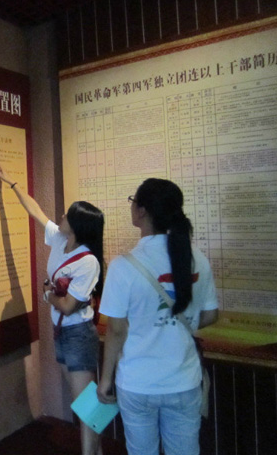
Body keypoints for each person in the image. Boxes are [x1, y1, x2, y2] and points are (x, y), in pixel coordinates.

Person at [96, 178, 219, 455]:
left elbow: (116, 330)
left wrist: (105, 380)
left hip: (137, 382)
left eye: (133, 201)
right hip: (184, 381)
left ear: (141, 211)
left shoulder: (122, 266)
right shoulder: (198, 259)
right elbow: (211, 315)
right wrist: (179, 323)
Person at [0, 161, 104, 455]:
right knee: (83, 403)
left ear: (78, 226)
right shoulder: (60, 239)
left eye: (68, 214)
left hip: (78, 332)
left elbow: (67, 306)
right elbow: (35, 211)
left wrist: (47, 296)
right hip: (62, 332)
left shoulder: (88, 261)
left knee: (87, 405)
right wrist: (10, 182)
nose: (62, 216)